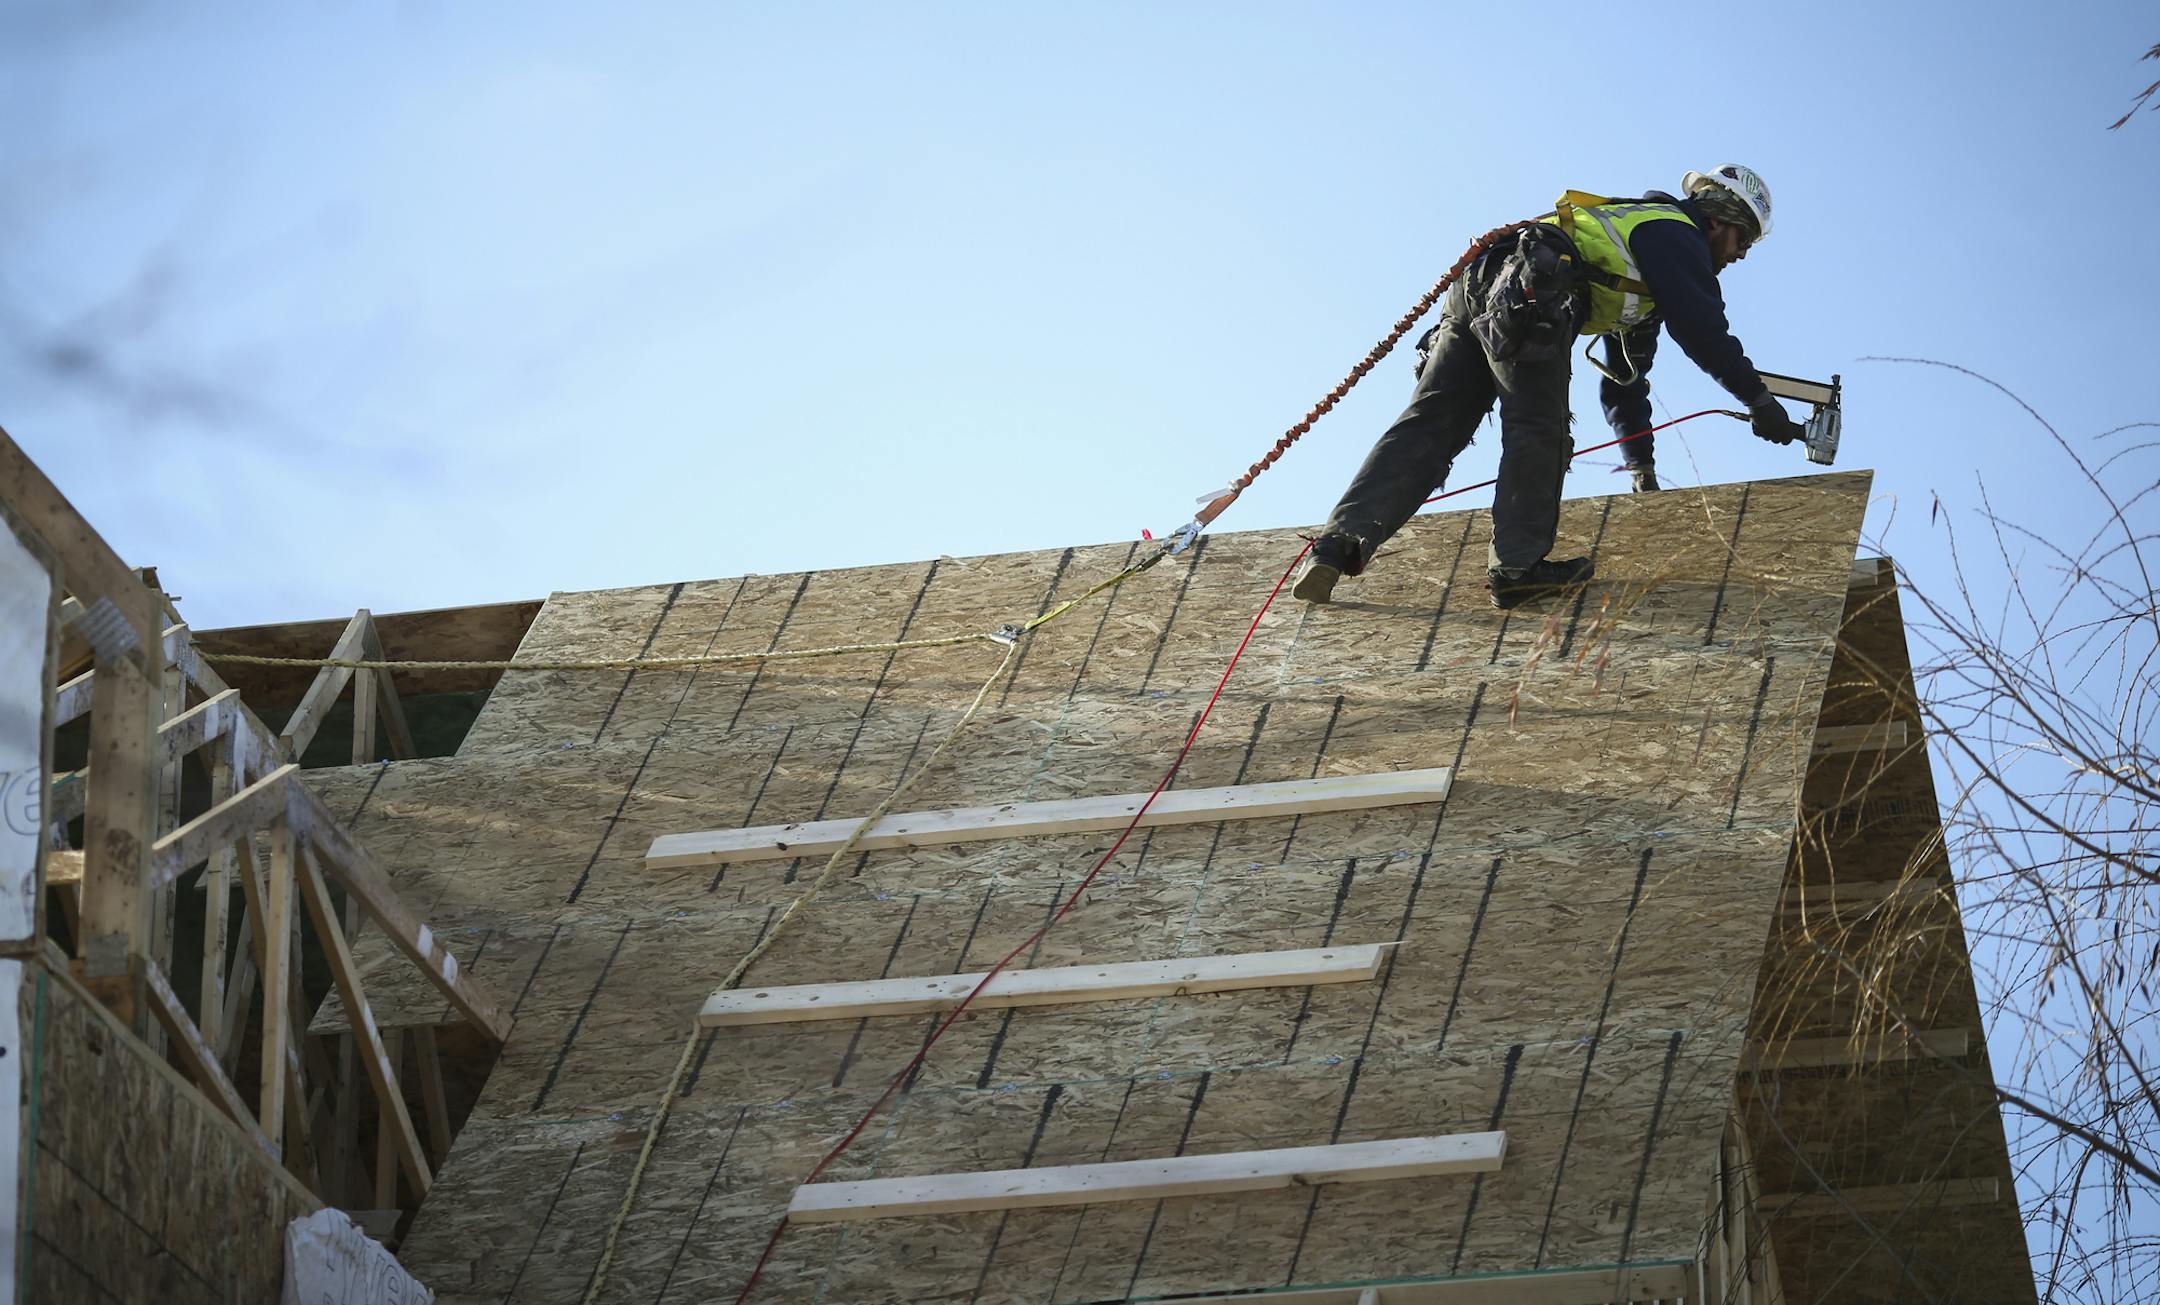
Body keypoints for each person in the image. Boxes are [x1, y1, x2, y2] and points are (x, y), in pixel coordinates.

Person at [1293, 164, 1806, 610]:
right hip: (1530, 296)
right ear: (1719, 220)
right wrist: (1760, 402)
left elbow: (1625, 383)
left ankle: (1336, 547)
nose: (1740, 256)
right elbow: (1703, 332)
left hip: (1482, 287)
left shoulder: (1643, 257)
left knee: (1429, 425)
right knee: (1539, 431)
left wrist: (1640, 469)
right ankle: (1517, 571)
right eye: (1742, 241)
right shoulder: (1676, 236)